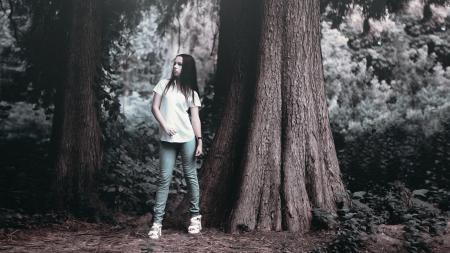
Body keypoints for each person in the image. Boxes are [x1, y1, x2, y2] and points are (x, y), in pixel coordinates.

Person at [148, 54, 203, 240]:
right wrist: (164, 125)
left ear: (186, 68)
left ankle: (195, 217)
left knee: (191, 177)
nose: (175, 66)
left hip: (187, 138)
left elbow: (195, 118)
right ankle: (157, 223)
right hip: (167, 139)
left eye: (180, 64)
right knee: (164, 178)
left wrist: (199, 140)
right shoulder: (163, 84)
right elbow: (154, 108)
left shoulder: (192, 92)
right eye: (175, 63)